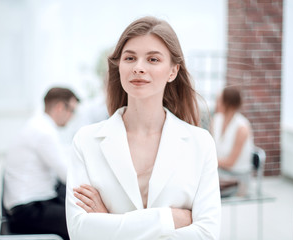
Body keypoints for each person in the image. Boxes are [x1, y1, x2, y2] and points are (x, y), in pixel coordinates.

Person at [66, 16, 221, 240]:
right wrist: (171, 219)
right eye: (130, 58)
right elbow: (80, 231)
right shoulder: (86, 141)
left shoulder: (200, 143)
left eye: (153, 59)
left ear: (173, 71)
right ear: (119, 66)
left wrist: (109, 221)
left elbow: (207, 234)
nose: (139, 68)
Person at [3, 87, 79, 240]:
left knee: (76, 204)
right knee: (79, 221)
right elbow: (66, 174)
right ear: (59, 107)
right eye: (72, 110)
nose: (72, 117)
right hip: (27, 209)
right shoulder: (44, 132)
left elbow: (62, 154)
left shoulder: (39, 125)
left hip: (28, 201)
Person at [211, 87, 254, 196]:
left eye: (219, 100)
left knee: (205, 191)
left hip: (238, 179)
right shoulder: (216, 120)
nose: (216, 103)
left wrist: (208, 161)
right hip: (219, 173)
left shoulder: (242, 128)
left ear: (229, 104)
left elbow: (231, 162)